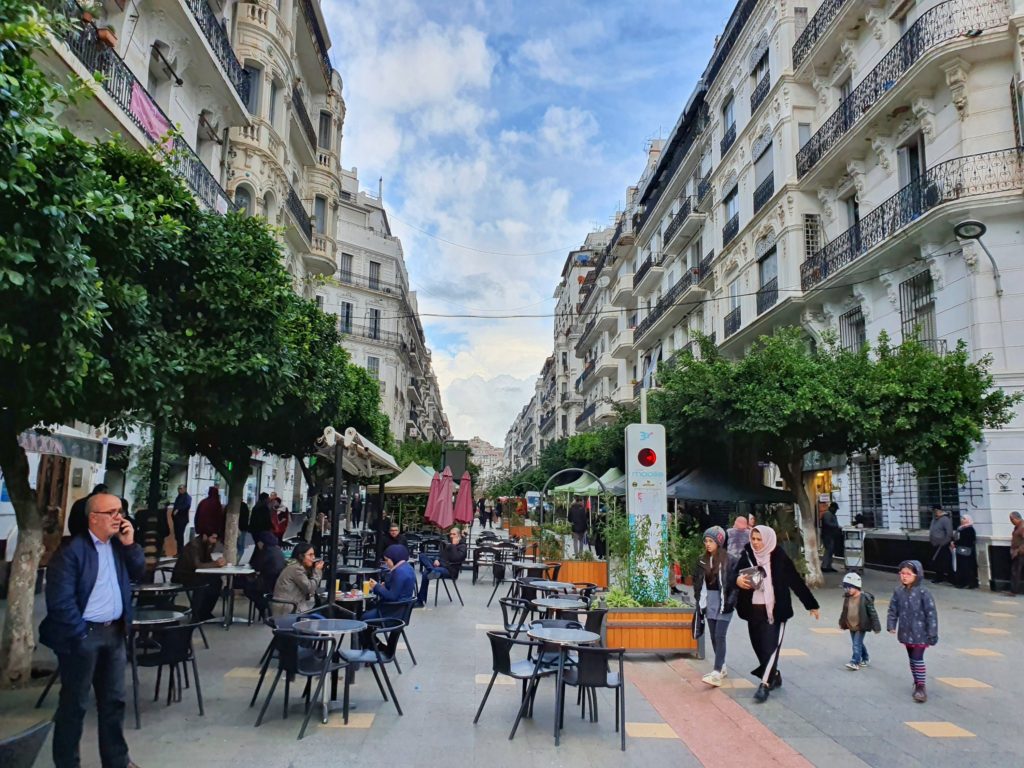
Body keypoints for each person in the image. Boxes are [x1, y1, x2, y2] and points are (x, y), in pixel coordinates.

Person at [40, 493, 144, 768]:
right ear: (93, 518)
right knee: (74, 705)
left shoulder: (118, 546)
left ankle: (117, 760)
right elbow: (60, 602)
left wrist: (131, 544)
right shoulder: (72, 551)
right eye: (111, 512)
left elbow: (138, 572)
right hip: (84, 636)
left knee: (114, 702)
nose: (118, 517)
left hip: (114, 634)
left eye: (120, 511)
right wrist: (80, 633)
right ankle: (67, 762)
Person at [734, 524, 820, 703]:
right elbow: (734, 574)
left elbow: (795, 580)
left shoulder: (779, 556)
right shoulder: (748, 554)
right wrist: (738, 580)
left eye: (759, 540)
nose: (756, 543)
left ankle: (764, 685)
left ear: (768, 540)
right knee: (759, 648)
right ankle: (775, 674)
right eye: (754, 539)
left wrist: (811, 604)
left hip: (775, 612)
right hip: (753, 611)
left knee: (771, 648)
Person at [887, 560, 939, 702]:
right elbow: (893, 609)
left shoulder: (924, 592)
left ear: (917, 575)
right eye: (902, 573)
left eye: (908, 574)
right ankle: (917, 681)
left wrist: (932, 633)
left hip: (921, 632)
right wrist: (891, 625)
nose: (904, 577)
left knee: (917, 658)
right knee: (912, 658)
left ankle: (921, 687)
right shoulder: (898, 591)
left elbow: (931, 613)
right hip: (905, 631)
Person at [695, 526, 737, 687]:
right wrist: (699, 602)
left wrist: (732, 602)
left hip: (725, 602)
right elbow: (699, 582)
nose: (707, 544)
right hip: (710, 601)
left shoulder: (730, 560)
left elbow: (734, 584)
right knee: (713, 635)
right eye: (706, 541)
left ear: (719, 542)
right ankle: (723, 666)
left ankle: (717, 671)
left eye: (711, 541)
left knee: (720, 635)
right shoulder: (702, 560)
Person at [172, 530, 225, 621]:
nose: (214, 541)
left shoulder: (207, 545)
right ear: (205, 536)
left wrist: (217, 562)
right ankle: (196, 614)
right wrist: (215, 564)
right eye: (213, 538)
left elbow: (206, 562)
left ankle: (205, 612)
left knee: (217, 581)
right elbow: (197, 565)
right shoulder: (194, 546)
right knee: (202, 584)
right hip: (184, 576)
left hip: (196, 574)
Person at [838, 572, 880, 670]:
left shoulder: (865, 598)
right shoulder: (848, 598)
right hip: (850, 624)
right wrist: (841, 622)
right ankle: (865, 658)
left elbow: (873, 613)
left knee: (856, 644)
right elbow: (844, 611)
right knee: (858, 643)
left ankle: (854, 662)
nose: (846, 590)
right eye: (845, 588)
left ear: (856, 587)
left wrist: (876, 626)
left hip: (861, 625)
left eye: (849, 587)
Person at [416, 527, 467, 606]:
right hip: (439, 566)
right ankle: (432, 569)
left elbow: (456, 558)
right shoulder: (448, 545)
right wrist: (437, 559)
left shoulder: (462, 547)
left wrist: (453, 545)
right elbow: (440, 555)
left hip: (450, 570)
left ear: (459, 535)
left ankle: (420, 601)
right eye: (451, 534)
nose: (451, 536)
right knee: (422, 555)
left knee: (426, 573)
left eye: (454, 534)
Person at [364, 544, 417, 618]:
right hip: (402, 610)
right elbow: (398, 589)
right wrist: (384, 586)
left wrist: (376, 586)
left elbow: (392, 596)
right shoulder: (407, 567)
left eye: (387, 560)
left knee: (363, 616)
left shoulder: (399, 572)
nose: (386, 563)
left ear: (394, 558)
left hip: (392, 612)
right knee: (370, 606)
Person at [272, 542, 323, 616]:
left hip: (290, 605)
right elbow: (310, 588)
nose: (313, 558)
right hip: (289, 609)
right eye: (310, 555)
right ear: (301, 556)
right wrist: (317, 571)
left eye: (313, 554)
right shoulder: (296, 569)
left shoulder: (295, 566)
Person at [951, 513, 978, 589]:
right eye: (962, 518)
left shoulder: (969, 529)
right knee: (961, 567)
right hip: (960, 551)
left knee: (967, 567)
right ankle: (962, 582)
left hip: (967, 551)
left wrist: (956, 543)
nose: (962, 520)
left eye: (964, 519)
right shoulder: (960, 528)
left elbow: (966, 540)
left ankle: (969, 583)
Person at [928, 505, 954, 584]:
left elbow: (949, 533)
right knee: (937, 562)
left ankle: (951, 578)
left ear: (939, 511)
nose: (935, 512)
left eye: (935, 511)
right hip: (934, 544)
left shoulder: (945, 519)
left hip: (943, 545)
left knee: (946, 561)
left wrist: (944, 542)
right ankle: (939, 577)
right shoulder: (934, 519)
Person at [820, 501, 841, 573]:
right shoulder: (827, 514)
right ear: (831, 507)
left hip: (831, 535)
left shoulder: (832, 514)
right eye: (835, 509)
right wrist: (836, 526)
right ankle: (824, 566)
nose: (836, 510)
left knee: (831, 551)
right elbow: (827, 523)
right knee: (828, 550)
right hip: (827, 535)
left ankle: (828, 566)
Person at [171, 484, 192, 553]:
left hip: (182, 519)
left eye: (181, 488)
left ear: (185, 489)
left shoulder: (187, 497)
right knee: (177, 535)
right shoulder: (178, 497)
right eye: (179, 489)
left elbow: (187, 506)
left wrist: (178, 510)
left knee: (180, 535)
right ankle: (179, 551)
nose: (179, 490)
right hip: (177, 519)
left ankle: (180, 552)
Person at [1009, 511, 1024, 596]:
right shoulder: (1017, 527)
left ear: (1016, 518)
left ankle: (1014, 590)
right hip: (1017, 552)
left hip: (1020, 553)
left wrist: (1018, 550)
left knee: (1016, 571)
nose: (1011, 521)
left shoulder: (1022, 527)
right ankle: (1014, 590)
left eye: (1011, 519)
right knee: (1015, 571)